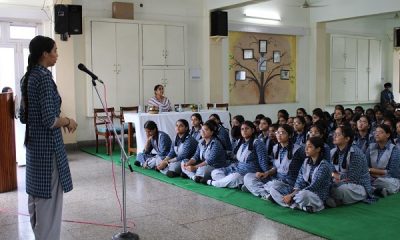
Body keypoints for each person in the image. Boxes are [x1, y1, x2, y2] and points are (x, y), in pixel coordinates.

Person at [19, 35, 78, 240]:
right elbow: (50, 120)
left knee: (36, 200)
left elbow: (22, 116)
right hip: (48, 150)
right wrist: (68, 120)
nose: (57, 55)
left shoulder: (27, 77)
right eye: (55, 51)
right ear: (44, 54)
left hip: (34, 148)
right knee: (50, 207)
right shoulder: (43, 77)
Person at [269, 137, 332, 213]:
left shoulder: (324, 166)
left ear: (318, 149)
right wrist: (293, 193)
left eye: (310, 147)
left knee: (303, 195)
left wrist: (291, 196)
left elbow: (314, 186)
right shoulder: (306, 161)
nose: (306, 149)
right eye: (306, 146)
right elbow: (299, 180)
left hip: (315, 195)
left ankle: (295, 204)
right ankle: (301, 206)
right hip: (300, 192)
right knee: (273, 187)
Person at [243, 124, 305, 199]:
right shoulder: (275, 148)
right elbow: (276, 167)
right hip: (276, 179)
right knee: (248, 176)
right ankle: (267, 194)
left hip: (289, 182)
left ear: (290, 135)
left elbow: (304, 168)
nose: (279, 135)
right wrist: (266, 173)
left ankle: (257, 189)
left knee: (273, 185)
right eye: (277, 132)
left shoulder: (299, 149)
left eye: (282, 133)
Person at [205, 121, 268, 188]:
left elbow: (262, 161)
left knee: (234, 177)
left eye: (247, 128)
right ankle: (236, 184)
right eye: (242, 129)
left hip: (248, 173)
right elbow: (237, 159)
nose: (244, 131)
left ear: (252, 130)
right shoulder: (242, 142)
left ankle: (214, 183)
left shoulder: (258, 143)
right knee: (215, 172)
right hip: (237, 169)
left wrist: (266, 173)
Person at [326, 125, 374, 207]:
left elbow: (353, 178)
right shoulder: (333, 152)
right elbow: (331, 170)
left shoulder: (355, 153)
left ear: (347, 139)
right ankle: (335, 199)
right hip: (339, 181)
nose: (334, 136)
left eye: (338, 134)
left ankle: (335, 200)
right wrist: (333, 178)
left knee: (341, 190)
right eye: (334, 134)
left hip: (358, 185)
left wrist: (336, 177)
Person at [366, 124, 400, 197]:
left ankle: (372, 189)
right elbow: (365, 167)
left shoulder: (394, 150)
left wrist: (373, 172)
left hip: (389, 179)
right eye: (376, 132)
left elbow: (393, 173)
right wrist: (374, 172)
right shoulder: (370, 148)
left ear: (387, 135)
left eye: (380, 132)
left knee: (387, 183)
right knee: (362, 178)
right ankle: (376, 190)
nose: (377, 134)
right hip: (372, 177)